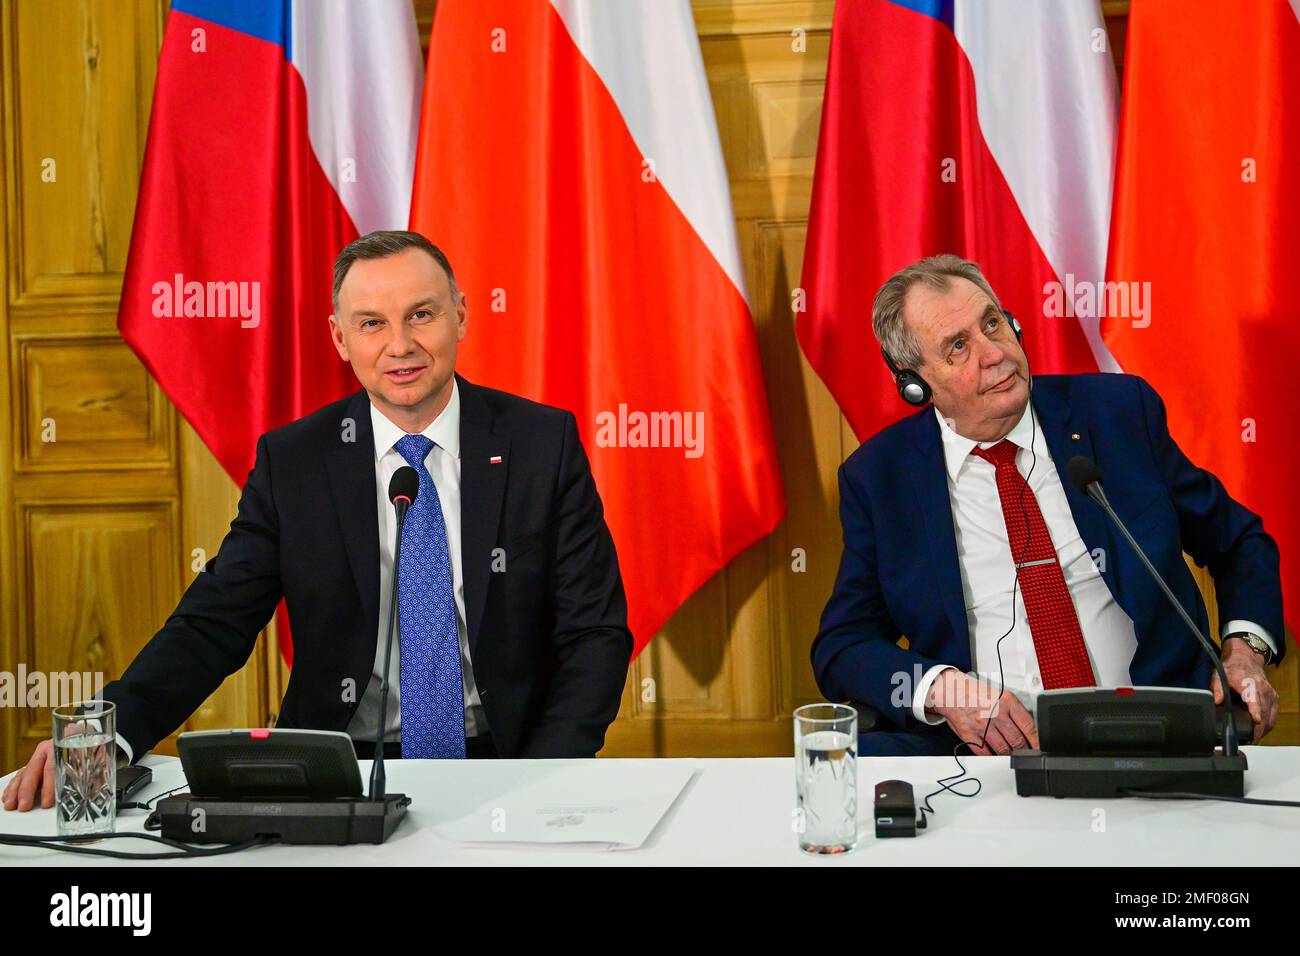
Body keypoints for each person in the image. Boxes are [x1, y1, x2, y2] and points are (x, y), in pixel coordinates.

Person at [4, 230, 631, 811]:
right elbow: (213, 623)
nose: (400, 345)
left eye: (422, 314)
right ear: (340, 339)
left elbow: (595, 634)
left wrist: (542, 779)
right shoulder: (295, 461)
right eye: (372, 324)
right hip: (335, 772)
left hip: (504, 759)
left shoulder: (541, 444)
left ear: (460, 315)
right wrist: (105, 730)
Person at [811, 254, 1283, 756]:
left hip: (1154, 733)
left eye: (993, 323)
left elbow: (1238, 542)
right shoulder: (880, 478)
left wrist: (1244, 653)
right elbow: (842, 646)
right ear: (915, 383)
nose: (994, 354)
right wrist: (943, 691)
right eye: (958, 347)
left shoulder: (1117, 414)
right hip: (987, 757)